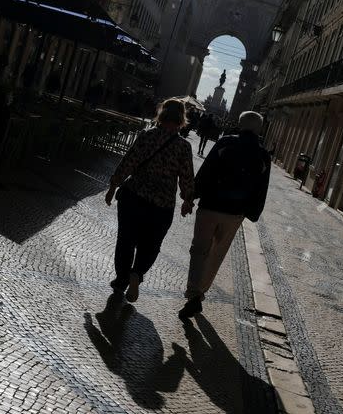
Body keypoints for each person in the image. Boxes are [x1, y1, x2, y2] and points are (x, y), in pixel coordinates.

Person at [179, 111, 271, 319]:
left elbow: (206, 172)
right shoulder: (263, 155)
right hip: (234, 213)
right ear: (259, 129)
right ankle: (200, 293)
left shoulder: (225, 143)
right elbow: (261, 188)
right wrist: (252, 212)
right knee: (216, 254)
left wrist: (191, 196)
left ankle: (193, 294)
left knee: (199, 250)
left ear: (240, 125)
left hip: (210, 206)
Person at [106, 99, 196, 303]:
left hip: (134, 197)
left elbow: (129, 161)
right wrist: (187, 200)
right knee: (152, 244)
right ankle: (137, 274)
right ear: (182, 118)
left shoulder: (148, 136)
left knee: (126, 240)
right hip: (162, 204)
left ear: (162, 113)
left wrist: (113, 186)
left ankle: (121, 279)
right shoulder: (183, 147)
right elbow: (187, 177)